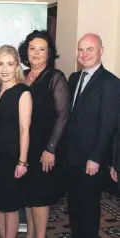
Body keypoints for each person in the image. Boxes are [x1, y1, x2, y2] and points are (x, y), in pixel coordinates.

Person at [66, 33, 120, 238]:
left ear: (101, 52)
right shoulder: (74, 78)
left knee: (88, 209)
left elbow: (107, 125)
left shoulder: (111, 83)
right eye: (81, 49)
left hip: (91, 160)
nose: (84, 54)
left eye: (90, 49)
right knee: (74, 207)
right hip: (71, 158)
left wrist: (95, 157)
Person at [18, 30, 69, 238]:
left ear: (49, 54)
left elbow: (63, 115)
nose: (36, 53)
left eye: (42, 49)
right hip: (24, 148)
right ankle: (30, 234)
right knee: (29, 196)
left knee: (39, 197)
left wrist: (51, 148)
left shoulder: (55, 77)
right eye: (32, 48)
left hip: (43, 149)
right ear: (26, 51)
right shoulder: (22, 77)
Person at [0, 45, 32, 238]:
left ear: (17, 67)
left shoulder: (23, 92)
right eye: (0, 64)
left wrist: (22, 161)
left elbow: (24, 129)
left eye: (9, 64)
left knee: (10, 205)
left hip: (12, 156)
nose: (4, 68)